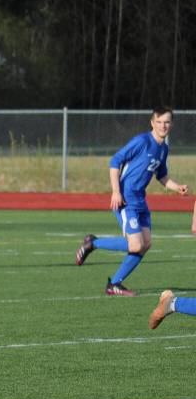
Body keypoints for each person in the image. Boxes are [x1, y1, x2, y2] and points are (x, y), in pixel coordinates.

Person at [75, 106, 189, 295]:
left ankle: (114, 284)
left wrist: (177, 187)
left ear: (172, 124)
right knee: (136, 244)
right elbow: (115, 161)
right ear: (152, 123)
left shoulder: (163, 149)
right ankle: (93, 243)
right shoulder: (142, 141)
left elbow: (161, 175)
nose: (163, 126)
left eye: (167, 122)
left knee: (146, 244)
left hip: (140, 200)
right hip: (126, 199)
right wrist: (115, 192)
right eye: (159, 122)